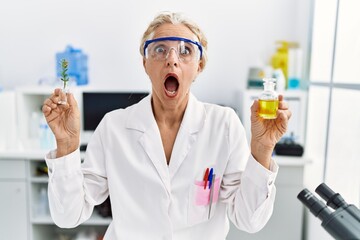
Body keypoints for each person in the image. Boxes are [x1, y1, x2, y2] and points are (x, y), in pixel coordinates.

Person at [42, 11, 291, 240]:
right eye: (160, 50)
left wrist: (261, 148)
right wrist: (66, 145)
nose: (172, 60)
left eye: (185, 51)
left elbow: (249, 220)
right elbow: (68, 215)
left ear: (199, 66)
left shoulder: (223, 125)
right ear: (146, 64)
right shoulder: (114, 127)